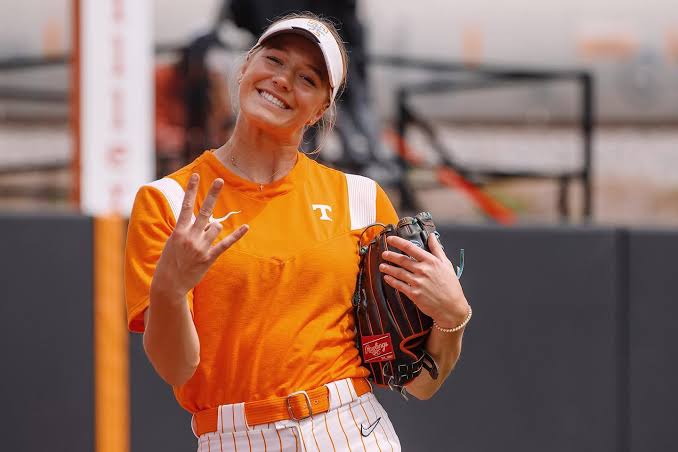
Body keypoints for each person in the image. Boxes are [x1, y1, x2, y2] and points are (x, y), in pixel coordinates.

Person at [125, 13, 471, 452]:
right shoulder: (168, 202)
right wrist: (171, 289)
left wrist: (452, 318)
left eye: (307, 78)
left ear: (322, 108)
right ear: (245, 67)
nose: (283, 80)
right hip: (235, 437)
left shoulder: (360, 200)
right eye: (273, 60)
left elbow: (420, 384)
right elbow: (175, 368)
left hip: (350, 430)